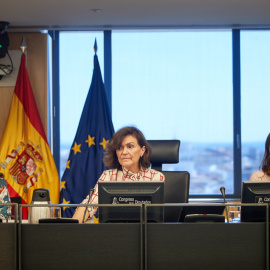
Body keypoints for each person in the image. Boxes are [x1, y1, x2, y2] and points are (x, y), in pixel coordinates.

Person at [72, 126, 165, 223]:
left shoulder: (156, 177)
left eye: (130, 146)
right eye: (120, 148)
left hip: (145, 234)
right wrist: (70, 229)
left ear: (142, 150)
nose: (124, 152)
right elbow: (89, 205)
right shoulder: (108, 176)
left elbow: (155, 218)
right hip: (114, 234)